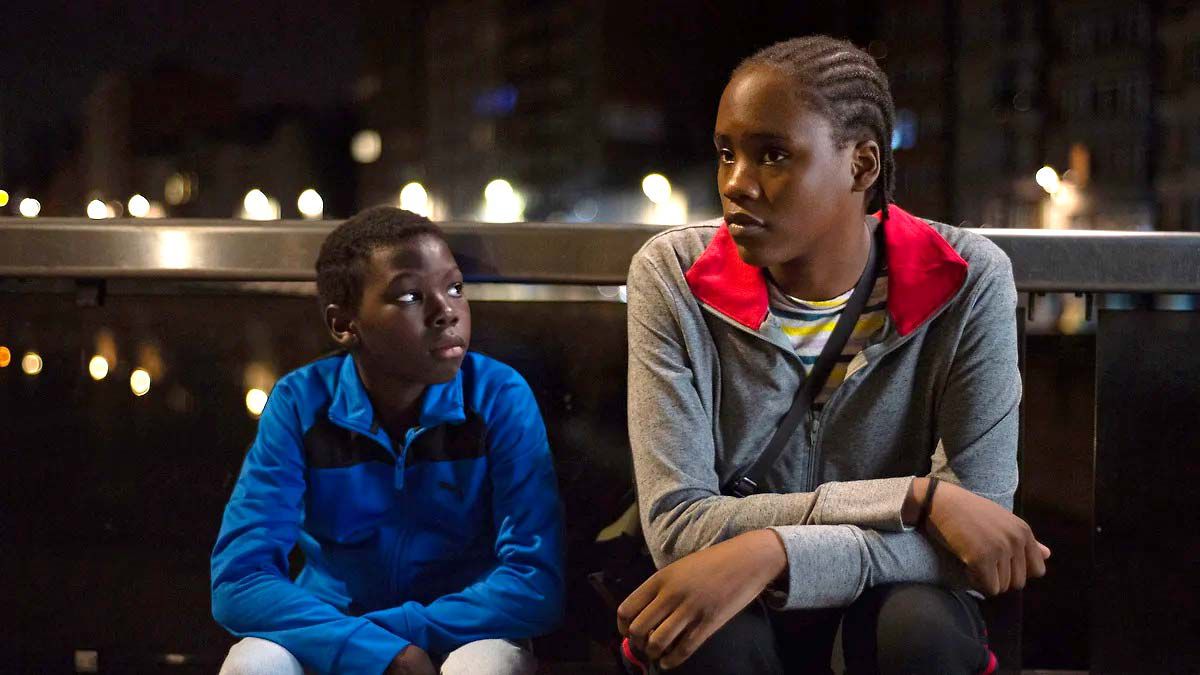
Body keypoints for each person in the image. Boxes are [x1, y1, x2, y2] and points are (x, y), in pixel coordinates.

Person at [617, 36, 1050, 674]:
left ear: (862, 164)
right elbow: (678, 527)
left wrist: (773, 550)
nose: (738, 183)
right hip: (739, 604)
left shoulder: (965, 278)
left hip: (889, 603)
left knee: (918, 629)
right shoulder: (673, 276)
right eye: (726, 153)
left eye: (773, 156)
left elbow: (980, 542)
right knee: (706, 637)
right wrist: (916, 498)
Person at [211, 207, 564, 675]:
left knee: (484, 667)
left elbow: (535, 580)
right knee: (252, 664)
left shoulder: (498, 395)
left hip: (465, 630)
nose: (447, 311)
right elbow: (240, 579)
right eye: (411, 296)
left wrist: (398, 636)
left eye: (455, 287)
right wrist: (371, 649)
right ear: (344, 324)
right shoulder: (301, 402)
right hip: (335, 630)